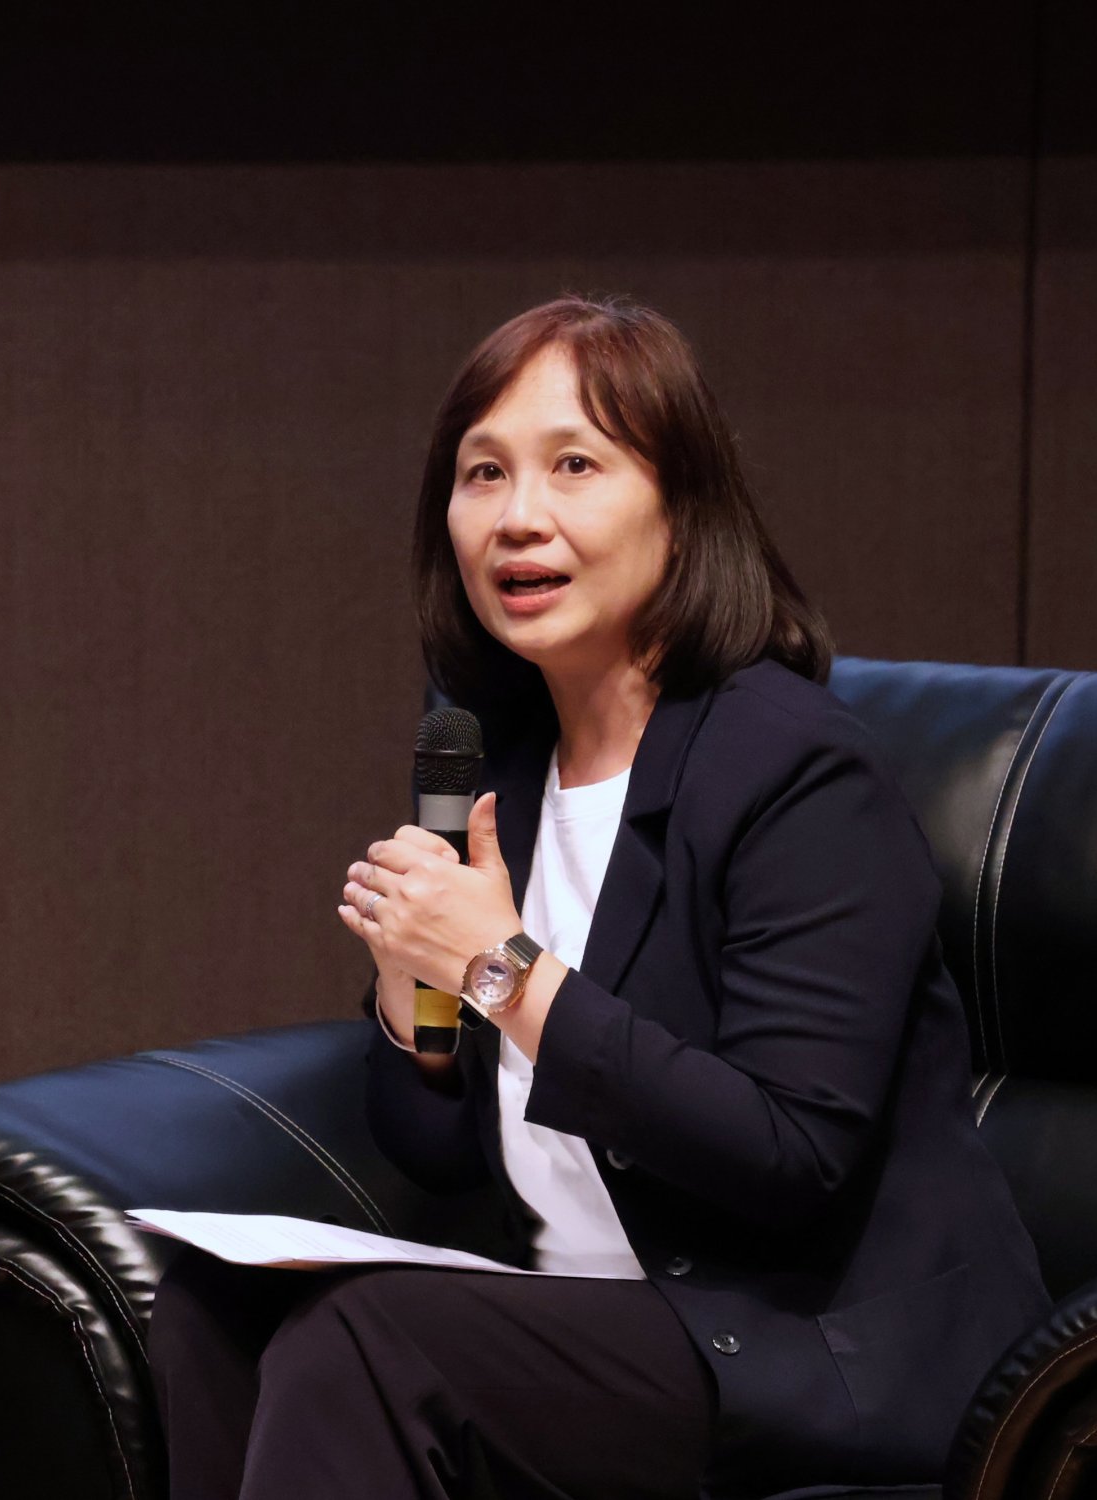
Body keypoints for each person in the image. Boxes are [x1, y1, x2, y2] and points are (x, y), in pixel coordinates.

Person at [147, 295, 1050, 1499]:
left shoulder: (794, 770)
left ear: (681, 507)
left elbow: (788, 1155)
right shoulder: (493, 765)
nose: (518, 517)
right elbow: (437, 1152)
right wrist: (413, 1006)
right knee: (211, 1308)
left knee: (373, 1342)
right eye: (483, 473)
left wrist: (501, 971)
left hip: (808, 1346)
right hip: (594, 1323)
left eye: (574, 465)